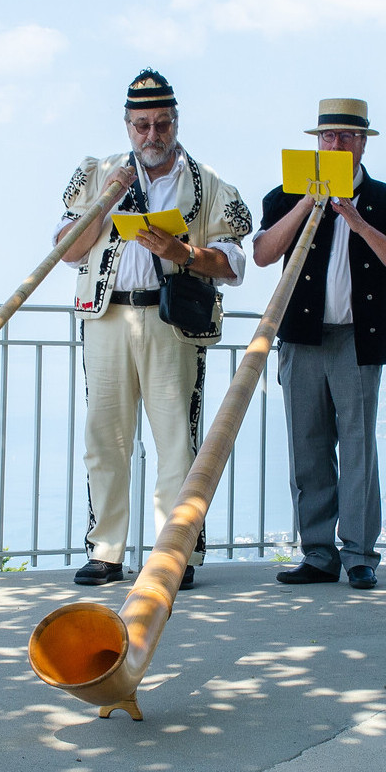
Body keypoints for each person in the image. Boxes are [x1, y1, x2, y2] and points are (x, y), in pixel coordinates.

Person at [55, 69, 252, 588]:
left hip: (171, 322)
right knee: (105, 437)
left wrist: (183, 252)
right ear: (126, 126)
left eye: (161, 124)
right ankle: (106, 550)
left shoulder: (208, 184)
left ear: (175, 122)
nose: (151, 136)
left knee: (176, 442)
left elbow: (235, 262)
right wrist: (105, 205)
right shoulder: (99, 175)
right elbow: (67, 250)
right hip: (107, 316)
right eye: (141, 125)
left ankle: (174, 552)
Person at [255, 97, 386, 590]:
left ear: (362, 144)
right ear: (317, 142)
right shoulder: (285, 195)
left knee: (357, 448)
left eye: (347, 137)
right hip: (302, 339)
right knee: (306, 446)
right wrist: (307, 204)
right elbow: (265, 253)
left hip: (357, 339)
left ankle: (358, 554)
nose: (336, 144)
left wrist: (357, 222)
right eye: (328, 137)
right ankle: (317, 553)